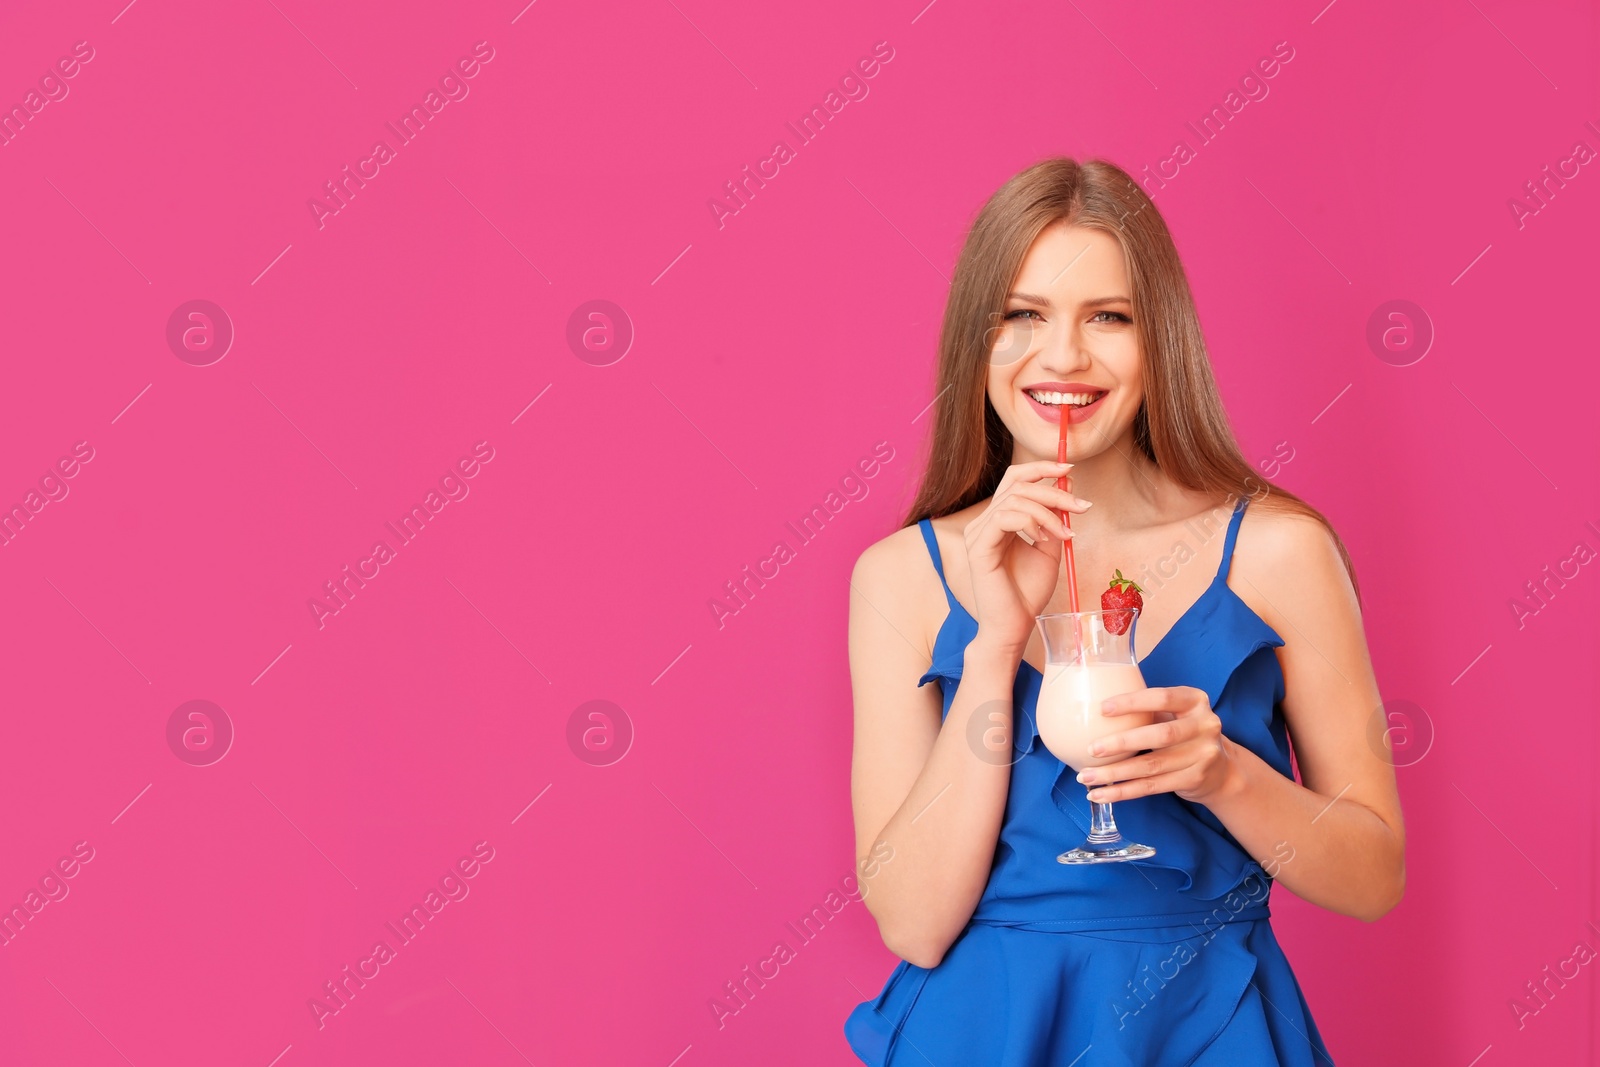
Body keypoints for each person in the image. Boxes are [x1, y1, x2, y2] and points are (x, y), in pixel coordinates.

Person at [843, 157, 1404, 1065]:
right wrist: (994, 645)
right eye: (1022, 316)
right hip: (980, 1033)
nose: (1063, 357)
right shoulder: (899, 577)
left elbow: (1376, 875)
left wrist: (1221, 772)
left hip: (1207, 1028)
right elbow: (912, 921)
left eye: (1108, 317)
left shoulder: (1278, 551)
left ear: (1162, 339)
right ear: (975, 344)